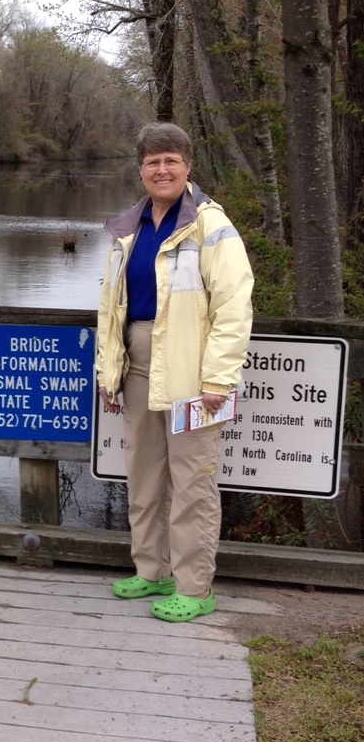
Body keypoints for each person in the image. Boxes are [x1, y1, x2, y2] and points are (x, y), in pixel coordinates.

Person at [96, 122, 254, 622]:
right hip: (137, 366)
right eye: (151, 161)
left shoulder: (210, 225)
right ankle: (153, 571)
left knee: (192, 482)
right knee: (143, 475)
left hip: (192, 374)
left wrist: (218, 379)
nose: (161, 169)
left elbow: (233, 305)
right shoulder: (129, 228)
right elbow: (111, 308)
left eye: (170, 160)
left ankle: (194, 586)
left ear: (187, 166)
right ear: (140, 170)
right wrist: (109, 371)